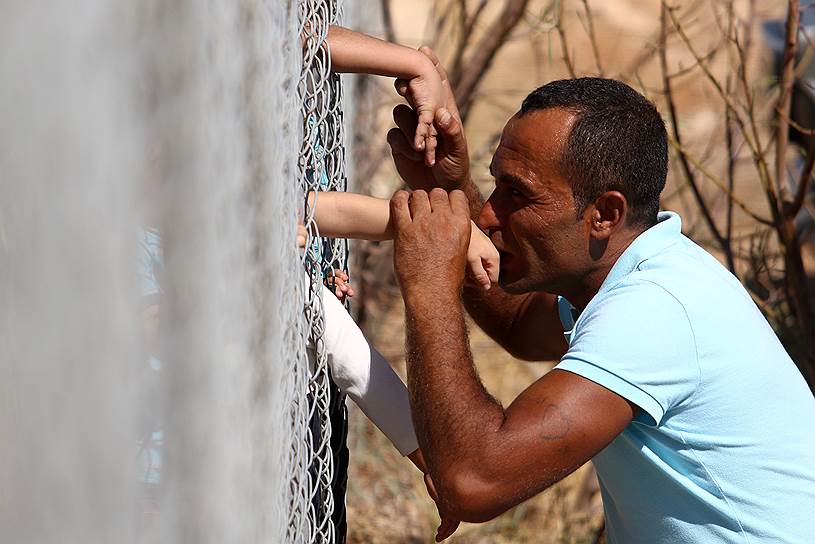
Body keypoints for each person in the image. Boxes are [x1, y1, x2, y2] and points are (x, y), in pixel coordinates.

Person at [385, 50, 815, 543]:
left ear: (605, 214)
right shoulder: (640, 268)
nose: (487, 217)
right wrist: (451, 187)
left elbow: (474, 481)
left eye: (518, 195)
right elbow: (522, 325)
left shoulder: (654, 311)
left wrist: (429, 286)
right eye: (493, 186)